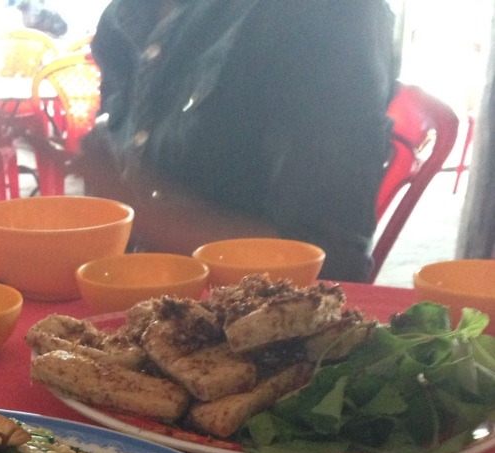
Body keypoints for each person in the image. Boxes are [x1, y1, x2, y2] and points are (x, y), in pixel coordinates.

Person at [75, 0, 399, 282]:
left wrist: (138, 212)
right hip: (133, 299)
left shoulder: (325, 13)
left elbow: (330, 265)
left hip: (255, 321)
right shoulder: (124, 15)